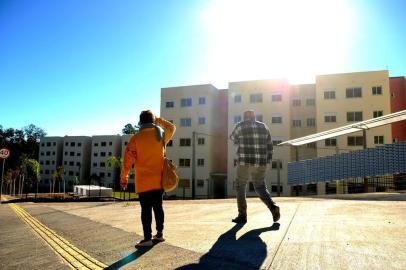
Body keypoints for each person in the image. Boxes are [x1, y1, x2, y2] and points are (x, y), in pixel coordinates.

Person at [121, 110, 176, 247]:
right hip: (159, 180)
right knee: (158, 207)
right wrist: (158, 120)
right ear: (153, 120)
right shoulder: (160, 135)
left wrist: (124, 178)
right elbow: (172, 128)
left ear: (140, 122)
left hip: (143, 182)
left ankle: (147, 238)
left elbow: (127, 161)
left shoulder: (136, 138)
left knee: (146, 210)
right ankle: (159, 234)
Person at [229, 110, 280, 224]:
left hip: (245, 162)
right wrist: (268, 161)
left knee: (240, 186)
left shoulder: (240, 126)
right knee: (260, 187)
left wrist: (239, 140)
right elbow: (270, 146)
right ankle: (273, 207)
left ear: (244, 117)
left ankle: (242, 215)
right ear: (254, 117)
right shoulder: (263, 126)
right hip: (261, 163)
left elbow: (232, 137)